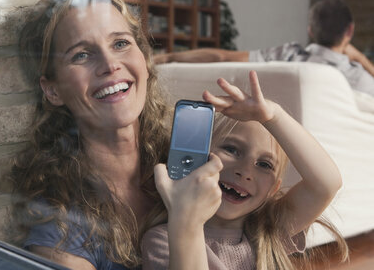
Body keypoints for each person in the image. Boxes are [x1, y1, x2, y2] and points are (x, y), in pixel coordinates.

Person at [12, 0, 171, 270]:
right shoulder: (60, 230)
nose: (110, 65)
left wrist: (271, 119)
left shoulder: (184, 161)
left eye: (120, 43)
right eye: (82, 55)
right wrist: (188, 224)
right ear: (53, 91)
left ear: (144, 59)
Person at [141, 71, 349, 270]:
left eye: (264, 165)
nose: (245, 171)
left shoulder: (268, 231)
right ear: (200, 156)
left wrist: (274, 116)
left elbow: (327, 184)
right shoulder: (163, 240)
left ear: (273, 190)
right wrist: (187, 219)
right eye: (231, 149)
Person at [153, 0, 374, 97]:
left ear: (311, 31)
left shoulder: (288, 55)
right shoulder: (358, 77)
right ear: (350, 31)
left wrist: (165, 58)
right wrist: (363, 61)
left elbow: (222, 56)